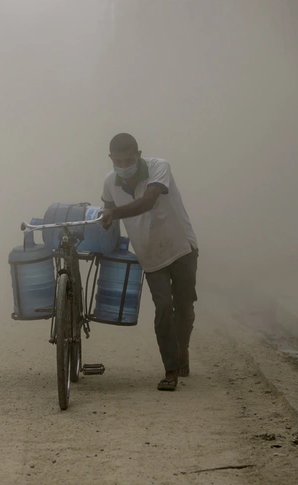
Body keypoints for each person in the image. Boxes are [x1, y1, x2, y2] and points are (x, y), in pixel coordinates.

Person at [99, 133, 198, 391]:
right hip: (149, 254)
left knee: (184, 307)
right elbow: (109, 221)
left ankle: (182, 349)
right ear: (110, 159)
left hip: (181, 247)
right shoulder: (110, 183)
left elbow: (148, 201)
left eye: (128, 159)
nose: (123, 165)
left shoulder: (158, 167)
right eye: (118, 161)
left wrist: (114, 213)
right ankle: (171, 369)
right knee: (164, 307)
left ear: (138, 155)